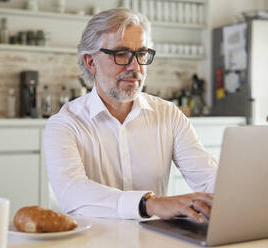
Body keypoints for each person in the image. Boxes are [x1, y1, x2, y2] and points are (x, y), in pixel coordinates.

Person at [44, 8, 217, 223]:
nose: (135, 66)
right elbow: (72, 192)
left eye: (141, 54)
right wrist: (149, 204)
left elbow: (208, 178)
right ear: (91, 62)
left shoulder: (168, 115)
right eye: (121, 54)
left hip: (155, 240)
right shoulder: (65, 124)